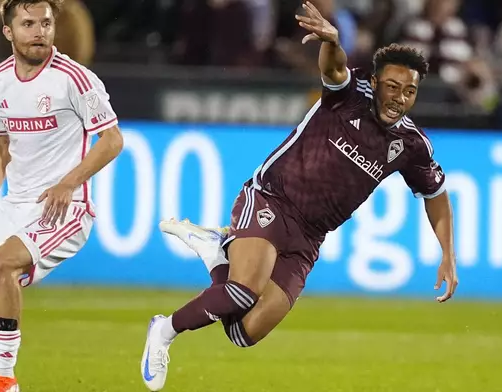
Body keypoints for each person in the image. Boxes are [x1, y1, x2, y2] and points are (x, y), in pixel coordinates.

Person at [140, 2, 459, 391]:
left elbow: (436, 194)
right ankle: (165, 330)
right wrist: (332, 41)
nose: (399, 98)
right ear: (375, 82)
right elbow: (333, 68)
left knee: (244, 332)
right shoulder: (349, 94)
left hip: (310, 237)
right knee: (242, 291)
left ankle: (217, 253)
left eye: (409, 91)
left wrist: (447, 254)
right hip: (272, 198)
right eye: (392, 86)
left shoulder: (411, 144)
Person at [0, 1, 124, 391]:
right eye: (28, 23)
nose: (39, 32)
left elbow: (112, 139)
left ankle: (4, 379)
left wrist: (70, 182)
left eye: (46, 23)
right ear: (8, 31)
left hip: (66, 210)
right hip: (14, 205)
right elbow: (2, 148)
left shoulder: (75, 78)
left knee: (3, 263)